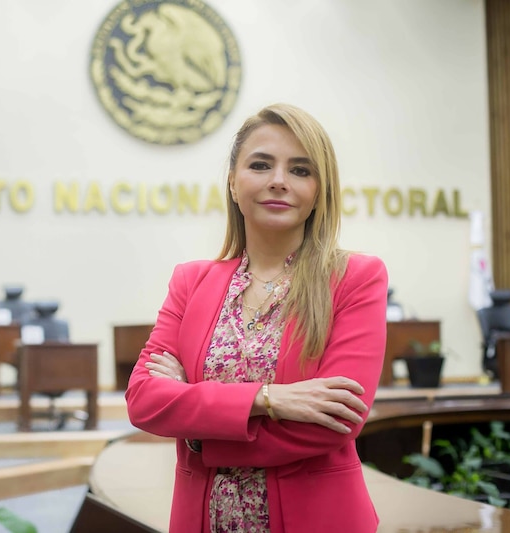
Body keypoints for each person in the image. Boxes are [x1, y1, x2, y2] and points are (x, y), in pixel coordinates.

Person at [125, 103, 388, 533]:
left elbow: (335, 422)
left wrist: (197, 433)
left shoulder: (353, 279)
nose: (279, 181)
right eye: (261, 164)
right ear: (233, 182)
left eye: (301, 170)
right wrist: (269, 400)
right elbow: (144, 399)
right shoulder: (191, 282)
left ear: (321, 190)